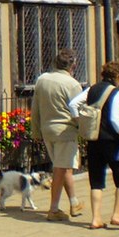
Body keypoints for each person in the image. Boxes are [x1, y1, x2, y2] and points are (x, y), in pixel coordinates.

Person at [69, 60, 119, 230]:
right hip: (112, 141)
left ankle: (96, 219)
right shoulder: (117, 93)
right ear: (118, 77)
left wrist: (79, 121)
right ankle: (117, 215)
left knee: (96, 181)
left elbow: (73, 104)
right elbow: (114, 119)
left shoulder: (92, 89)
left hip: (94, 140)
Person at [29, 48, 83, 221]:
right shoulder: (72, 84)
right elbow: (78, 110)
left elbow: (35, 108)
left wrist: (35, 130)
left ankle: (74, 202)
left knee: (63, 165)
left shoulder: (43, 80)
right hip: (65, 130)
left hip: (47, 129)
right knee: (60, 168)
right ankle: (53, 209)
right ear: (73, 65)